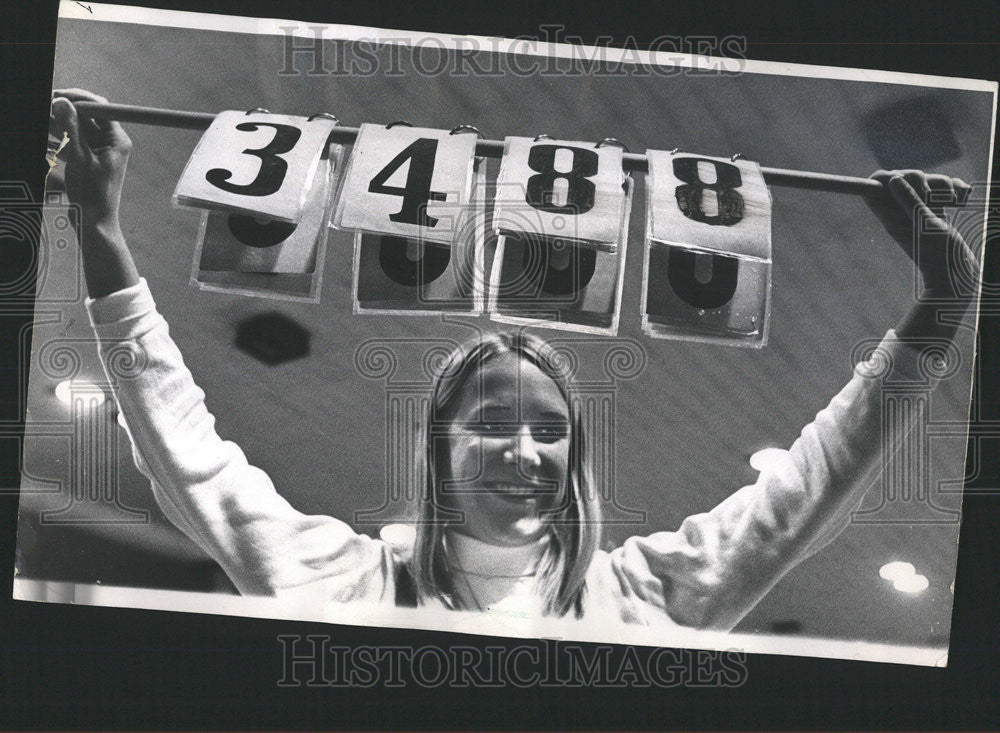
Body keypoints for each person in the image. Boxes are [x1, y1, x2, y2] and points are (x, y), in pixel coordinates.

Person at [49, 89, 978, 631]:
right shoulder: (350, 579)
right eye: (492, 422)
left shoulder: (643, 593)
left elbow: (806, 487)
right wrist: (99, 232)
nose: (529, 452)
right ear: (438, 446)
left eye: (551, 428)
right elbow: (189, 454)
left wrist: (937, 316)